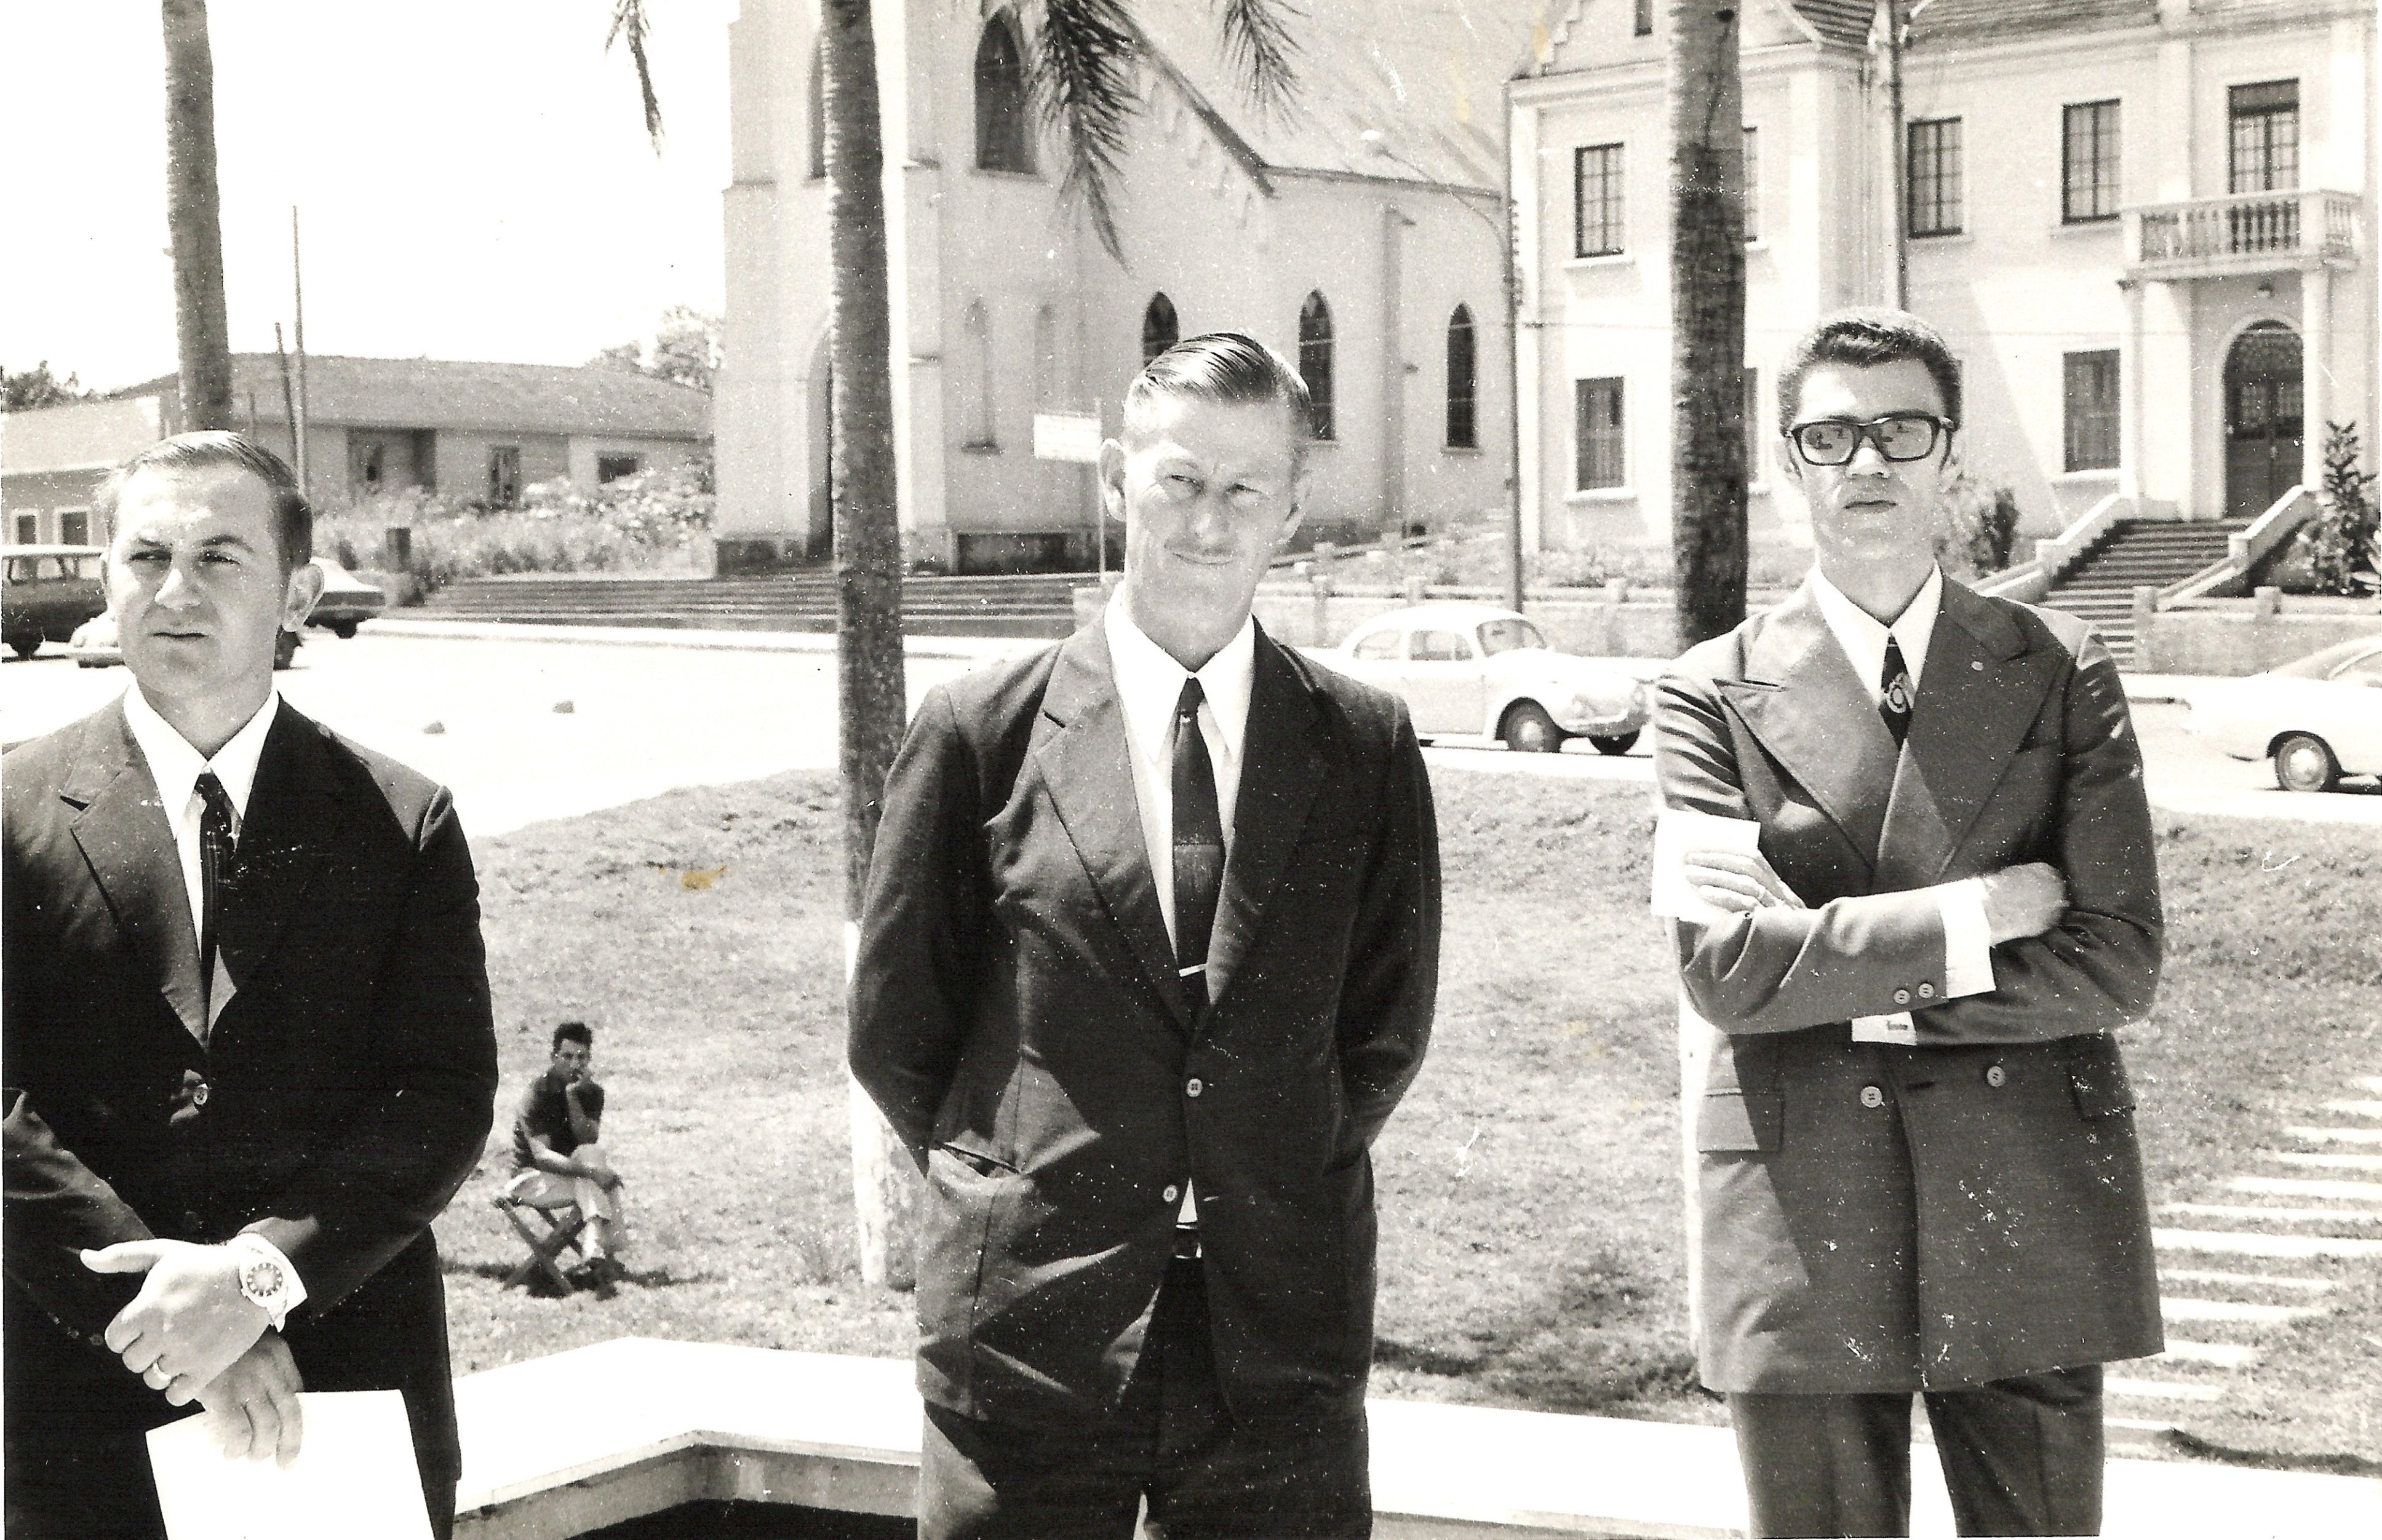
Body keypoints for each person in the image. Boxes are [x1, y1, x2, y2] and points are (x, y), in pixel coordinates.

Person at [849, 332, 1440, 1539]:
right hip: (1028, 1337)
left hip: (1274, 1340)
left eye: (1242, 488)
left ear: (1292, 506)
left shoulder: (1363, 743)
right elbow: (896, 1031)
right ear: (1118, 479)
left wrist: (1243, 1159)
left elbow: (1382, 1030)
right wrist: (1026, 1182)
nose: (1205, 520)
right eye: (1176, 480)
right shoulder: (979, 732)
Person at [1653, 310, 2165, 1538]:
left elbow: (2114, 958)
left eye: (1899, 428)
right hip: (1800, 1210)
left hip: (2024, 1197)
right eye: (1830, 434)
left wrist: (1840, 983)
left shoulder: (2057, 664)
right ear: (1789, 461)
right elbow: (1725, 971)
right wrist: (1978, 912)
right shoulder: (1705, 692)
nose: (1866, 461)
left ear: (1948, 451)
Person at [2, 432, 500, 1539]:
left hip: (341, 1388)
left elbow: (441, 1093)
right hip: (84, 1397)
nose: (175, 591)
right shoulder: (11, 809)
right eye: (145, 557)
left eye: (220, 557)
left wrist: (260, 1279)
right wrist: (161, 1316)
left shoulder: (402, 816)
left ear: (299, 590)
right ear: (103, 578)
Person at [506, 1021, 628, 1283]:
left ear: (590, 1059)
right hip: (529, 1180)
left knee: (591, 1156)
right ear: (554, 1058)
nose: (575, 1064)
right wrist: (593, 1173)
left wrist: (573, 1096)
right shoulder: (538, 1093)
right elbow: (542, 1157)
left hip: (568, 1179)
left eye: (582, 1057)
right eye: (567, 1057)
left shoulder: (592, 1093)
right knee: (601, 1179)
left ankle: (595, 1252)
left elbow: (588, 1140)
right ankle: (607, 1257)